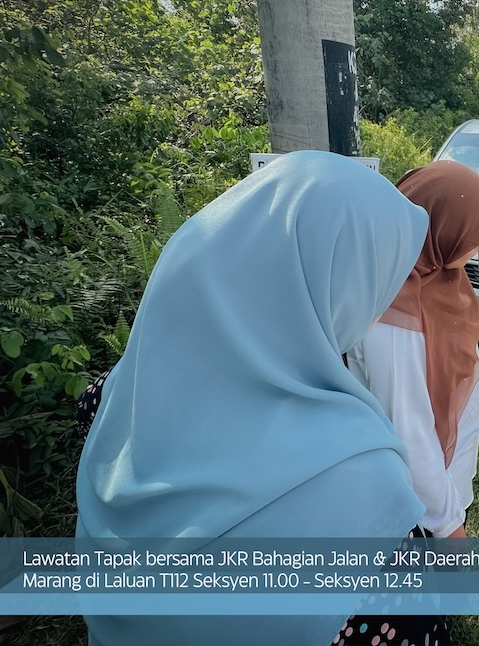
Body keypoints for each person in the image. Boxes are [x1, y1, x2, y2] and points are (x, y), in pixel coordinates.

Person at [76, 151, 440, 646]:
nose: (383, 302)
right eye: (379, 282)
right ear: (334, 288)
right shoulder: (365, 489)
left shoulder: (118, 391)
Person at [346, 161, 479, 538]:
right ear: (439, 229)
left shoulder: (438, 278)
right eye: (475, 238)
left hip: (447, 482)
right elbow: (411, 436)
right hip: (419, 507)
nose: (476, 249)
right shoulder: (394, 318)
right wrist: (449, 526)